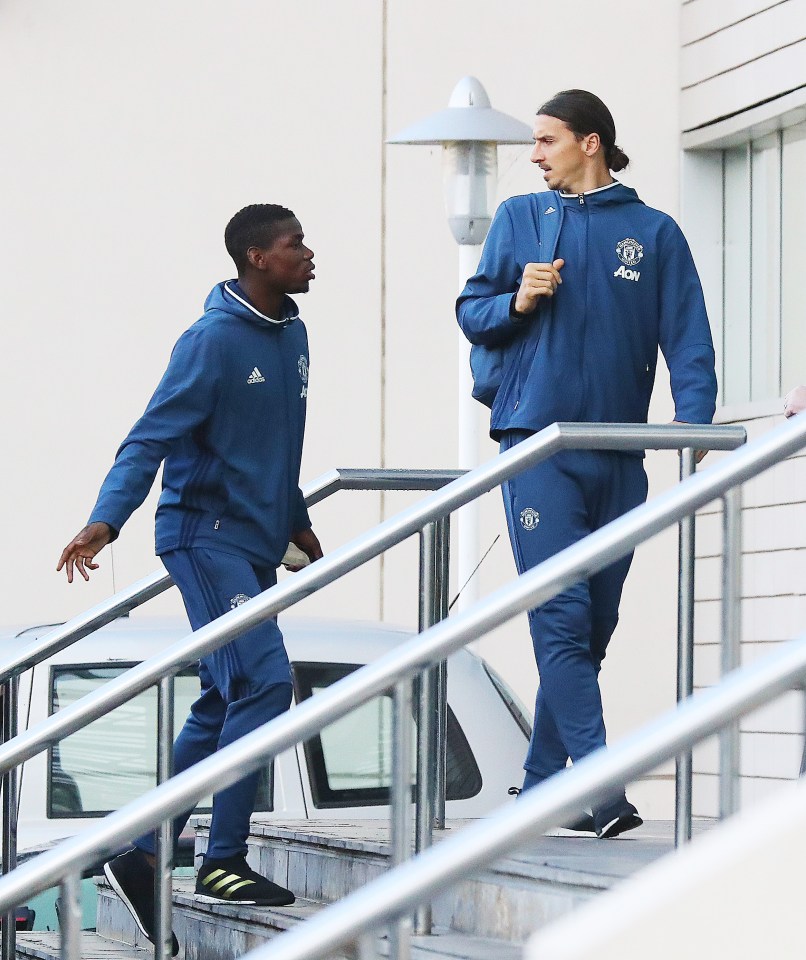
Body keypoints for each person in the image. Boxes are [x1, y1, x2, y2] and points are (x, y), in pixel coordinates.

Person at [57, 203, 323, 952]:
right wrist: (106, 520)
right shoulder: (209, 341)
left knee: (223, 694)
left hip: (253, 538)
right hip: (201, 536)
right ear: (255, 258)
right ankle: (221, 860)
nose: (308, 253)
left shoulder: (294, 334)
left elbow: (277, 445)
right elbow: (150, 437)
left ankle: (145, 854)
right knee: (265, 683)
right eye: (294, 244)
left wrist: (295, 520)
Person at [457, 90, 717, 839]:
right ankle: (603, 789)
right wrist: (519, 298)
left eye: (546, 140)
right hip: (539, 445)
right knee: (563, 619)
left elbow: (689, 338)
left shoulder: (654, 232)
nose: (534, 155)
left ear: (590, 142)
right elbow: (471, 312)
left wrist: (692, 432)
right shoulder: (518, 219)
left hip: (622, 454)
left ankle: (541, 788)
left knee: (593, 627)